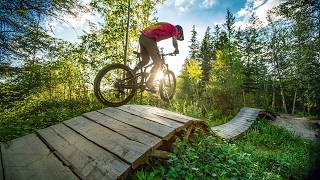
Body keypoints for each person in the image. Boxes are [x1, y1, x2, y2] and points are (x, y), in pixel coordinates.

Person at [133, 22, 184, 93]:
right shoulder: (174, 29)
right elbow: (174, 41)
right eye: (179, 34)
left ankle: (132, 72)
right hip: (149, 39)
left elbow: (153, 45)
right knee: (158, 63)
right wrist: (176, 49)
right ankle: (149, 83)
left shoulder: (168, 26)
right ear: (179, 31)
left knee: (145, 60)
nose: (177, 36)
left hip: (142, 38)